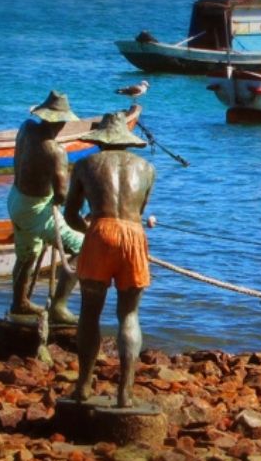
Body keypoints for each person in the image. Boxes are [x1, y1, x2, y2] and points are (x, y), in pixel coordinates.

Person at [65, 112, 155, 408]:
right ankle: (125, 394)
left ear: (100, 140)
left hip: (100, 232)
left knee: (90, 313)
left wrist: (90, 231)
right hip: (133, 236)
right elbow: (139, 211)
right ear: (126, 142)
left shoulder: (85, 164)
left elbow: (70, 214)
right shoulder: (147, 168)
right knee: (129, 316)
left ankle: (83, 387)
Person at [8, 91, 82, 324]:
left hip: (16, 199)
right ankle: (60, 305)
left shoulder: (26, 127)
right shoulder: (56, 152)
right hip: (37, 209)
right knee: (85, 248)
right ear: (60, 122)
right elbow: (61, 195)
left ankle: (19, 302)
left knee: (26, 255)